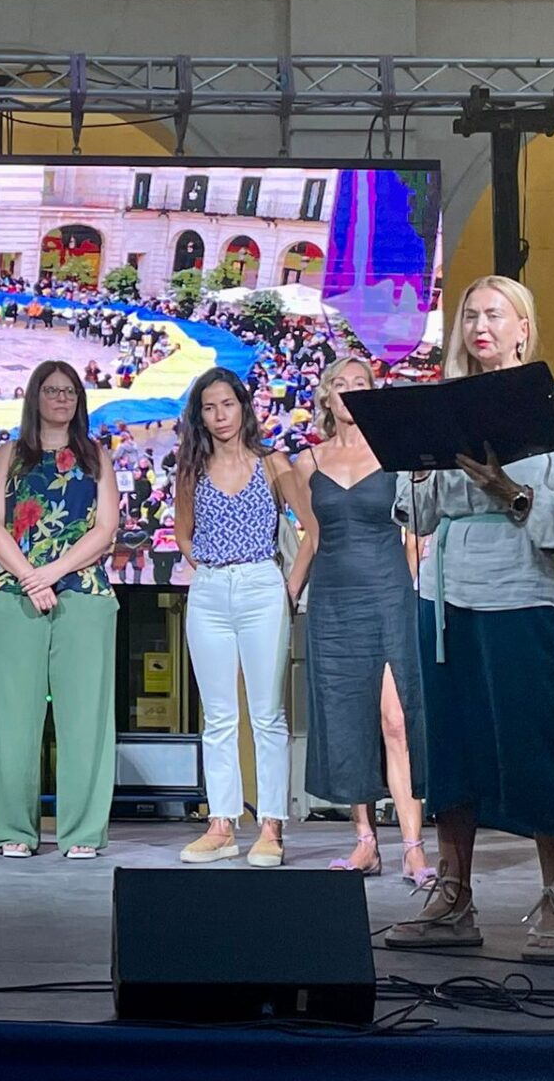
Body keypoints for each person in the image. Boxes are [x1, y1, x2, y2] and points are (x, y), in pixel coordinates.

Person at [387, 275, 554, 962]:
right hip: (445, 592)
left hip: (520, 588)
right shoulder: (443, 401)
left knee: (536, 742)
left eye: (495, 315)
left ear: (522, 329)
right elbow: (419, 517)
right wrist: (418, 461)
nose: (480, 325)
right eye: (471, 315)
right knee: (451, 746)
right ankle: (454, 897)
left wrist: (507, 489)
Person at [292, 357, 432, 884]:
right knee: (347, 719)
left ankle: (413, 847)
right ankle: (365, 842)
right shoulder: (308, 462)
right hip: (333, 601)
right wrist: (291, 590)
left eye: (361, 384)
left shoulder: (396, 455)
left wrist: (410, 585)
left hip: (388, 594)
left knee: (396, 720)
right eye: (341, 384)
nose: (350, 392)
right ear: (326, 396)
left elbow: (416, 534)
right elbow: (313, 536)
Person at [0, 361, 120, 859]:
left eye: (70, 391)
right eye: (52, 390)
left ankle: (82, 833)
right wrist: (28, 576)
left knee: (86, 720)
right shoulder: (10, 454)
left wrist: (52, 572)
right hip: (11, 591)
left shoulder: (96, 456)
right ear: (35, 396)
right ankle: (14, 829)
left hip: (83, 591)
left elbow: (106, 528)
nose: (61, 398)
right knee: (11, 718)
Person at [171, 368, 303, 867]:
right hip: (209, 590)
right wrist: (208, 568)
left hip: (261, 585)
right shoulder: (193, 469)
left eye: (227, 404)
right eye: (209, 407)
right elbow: (184, 533)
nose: (219, 415)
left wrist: (288, 589)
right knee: (219, 715)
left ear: (243, 407)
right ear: (199, 416)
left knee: (267, 714)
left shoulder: (273, 463)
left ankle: (271, 825)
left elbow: (311, 528)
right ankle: (221, 823)